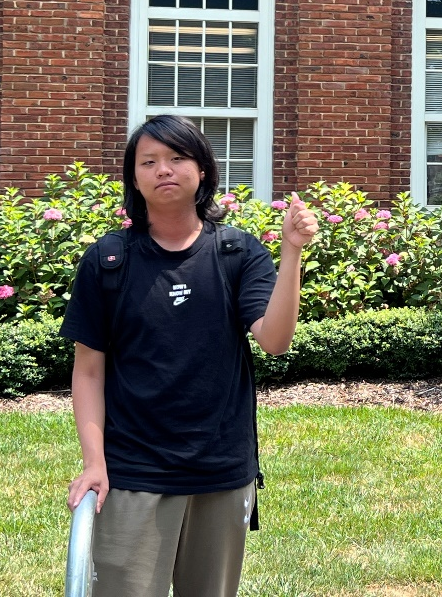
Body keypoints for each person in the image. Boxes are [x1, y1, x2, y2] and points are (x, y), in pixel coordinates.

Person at [61, 115, 318, 597]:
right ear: (134, 177)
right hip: (133, 472)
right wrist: (95, 463)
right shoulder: (108, 260)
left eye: (177, 158)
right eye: (149, 161)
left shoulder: (237, 253)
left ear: (202, 170)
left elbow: (274, 340)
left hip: (220, 469)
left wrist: (292, 253)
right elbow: (89, 371)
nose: (164, 169)